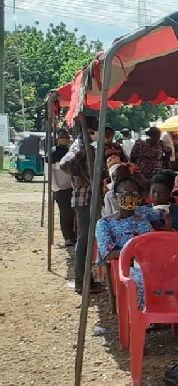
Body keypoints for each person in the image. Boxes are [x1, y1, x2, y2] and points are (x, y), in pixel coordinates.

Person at [59, 115, 104, 294]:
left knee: (86, 240)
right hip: (85, 199)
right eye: (96, 127)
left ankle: (86, 279)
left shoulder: (86, 146)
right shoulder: (80, 146)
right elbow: (65, 163)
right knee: (84, 241)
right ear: (89, 129)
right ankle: (81, 281)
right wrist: (78, 176)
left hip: (88, 197)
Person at [96, 176, 155, 308]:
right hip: (127, 266)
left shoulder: (142, 221)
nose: (130, 197)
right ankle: (142, 316)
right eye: (125, 194)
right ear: (116, 197)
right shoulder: (105, 223)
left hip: (147, 263)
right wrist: (132, 253)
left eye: (134, 194)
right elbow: (108, 253)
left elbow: (152, 246)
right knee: (140, 278)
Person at [50, 128, 76, 246]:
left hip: (73, 187)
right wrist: (56, 187)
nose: (64, 139)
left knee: (73, 212)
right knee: (65, 213)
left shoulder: (72, 151)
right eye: (62, 137)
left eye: (66, 137)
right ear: (57, 138)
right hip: (60, 189)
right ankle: (67, 237)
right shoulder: (53, 152)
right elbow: (49, 172)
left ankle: (73, 235)